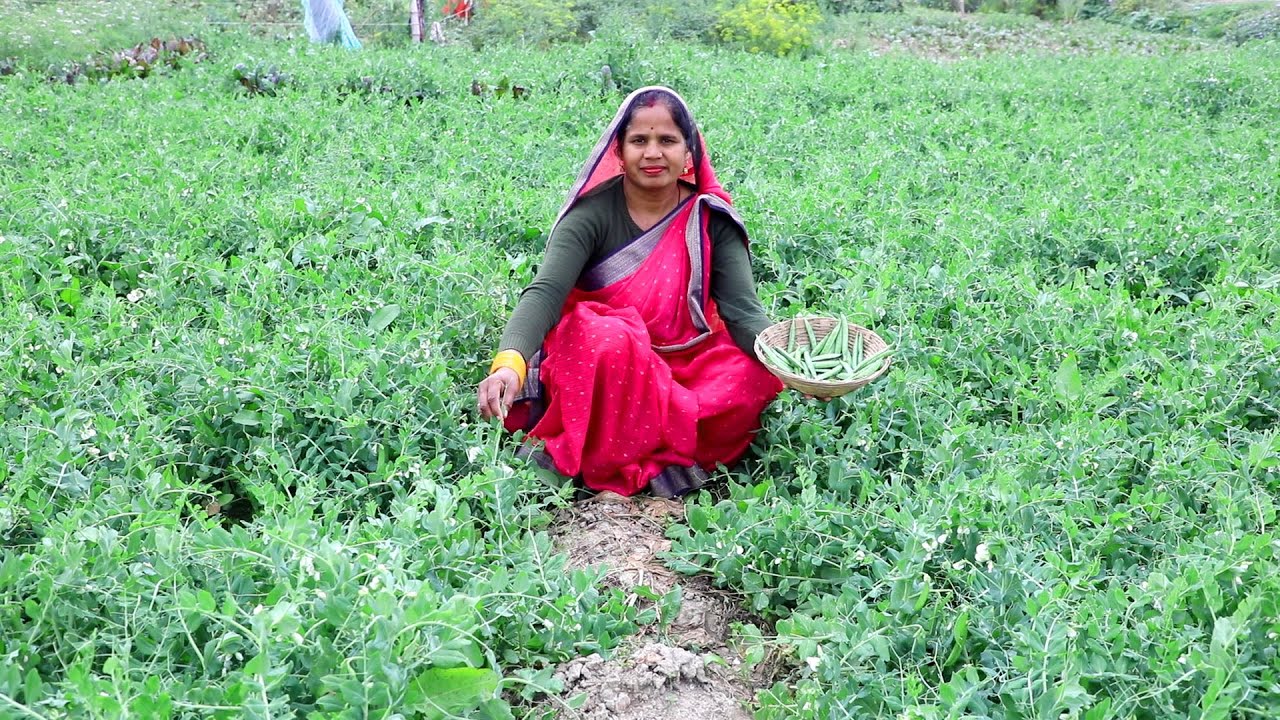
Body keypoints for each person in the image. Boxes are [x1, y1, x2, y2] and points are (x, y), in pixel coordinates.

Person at [476, 86, 785, 498]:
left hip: (680, 361)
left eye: (668, 141)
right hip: (602, 362)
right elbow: (546, 293)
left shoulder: (710, 219)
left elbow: (744, 314)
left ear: (689, 153)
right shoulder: (592, 214)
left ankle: (659, 458)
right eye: (639, 141)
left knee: (751, 374)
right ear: (618, 153)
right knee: (610, 338)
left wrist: (790, 361)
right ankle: (615, 458)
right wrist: (509, 363)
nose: (653, 153)